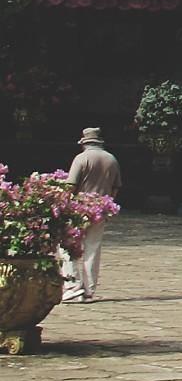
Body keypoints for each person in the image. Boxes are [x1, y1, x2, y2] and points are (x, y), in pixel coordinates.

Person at [61, 126, 121, 303]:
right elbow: (115, 188)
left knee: (67, 247)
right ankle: (89, 290)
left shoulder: (82, 159)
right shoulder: (111, 159)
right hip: (100, 209)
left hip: (79, 209)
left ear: (84, 143)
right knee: (93, 248)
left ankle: (72, 286)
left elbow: (70, 185)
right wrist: (104, 204)